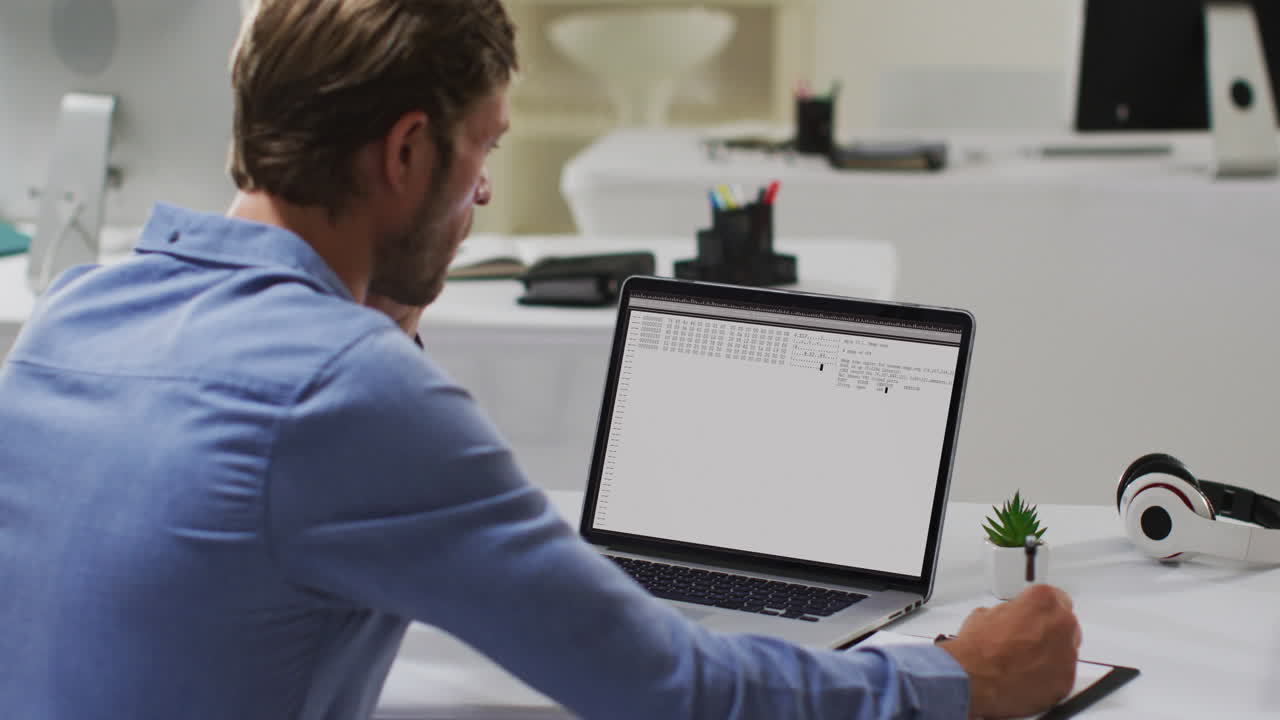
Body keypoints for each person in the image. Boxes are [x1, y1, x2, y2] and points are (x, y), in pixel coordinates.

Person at [0, 1, 1080, 718]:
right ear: (407, 151)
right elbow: (665, 688)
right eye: (484, 153)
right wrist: (954, 680)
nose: (478, 197)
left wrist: (375, 300)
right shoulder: (346, 391)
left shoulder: (76, 313)